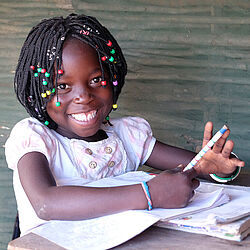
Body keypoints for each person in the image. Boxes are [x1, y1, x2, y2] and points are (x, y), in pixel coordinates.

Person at [5, 13, 244, 236]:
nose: (84, 96)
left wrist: (217, 168)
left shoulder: (127, 136)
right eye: (62, 86)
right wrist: (149, 195)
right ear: (38, 92)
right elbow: (47, 203)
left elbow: (195, 167)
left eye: (96, 80)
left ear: (113, 79)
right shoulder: (35, 138)